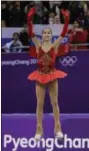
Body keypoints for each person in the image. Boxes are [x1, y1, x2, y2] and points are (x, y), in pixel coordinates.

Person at [27, 7, 70, 141]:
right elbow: (31, 33)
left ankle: (58, 128)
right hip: (40, 76)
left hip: (52, 76)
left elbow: (63, 34)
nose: (46, 34)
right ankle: (39, 129)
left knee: (54, 102)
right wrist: (29, 19)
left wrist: (67, 20)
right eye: (44, 32)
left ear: (51, 35)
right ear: (42, 35)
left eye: (48, 33)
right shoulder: (38, 45)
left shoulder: (55, 46)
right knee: (39, 103)